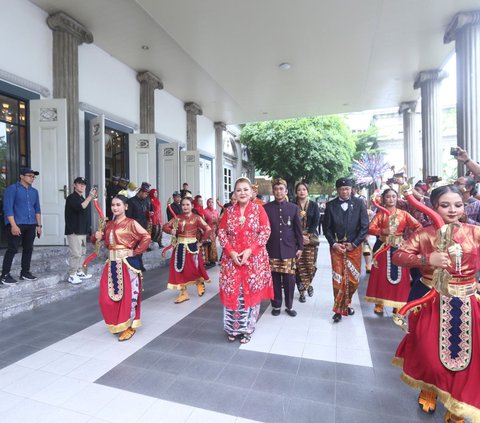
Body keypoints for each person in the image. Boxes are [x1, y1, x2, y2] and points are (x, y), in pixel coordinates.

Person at [392, 185, 480, 423]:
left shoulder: (475, 232)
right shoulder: (424, 233)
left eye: (458, 204)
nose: (453, 209)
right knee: (428, 352)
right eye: (445, 205)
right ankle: (429, 389)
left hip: (466, 303)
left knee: (467, 357)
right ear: (434, 208)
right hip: (430, 300)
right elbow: (398, 256)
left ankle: (456, 405)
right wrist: (425, 258)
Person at [218, 177, 273, 343]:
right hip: (232, 260)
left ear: (251, 193)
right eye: (239, 190)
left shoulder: (259, 211)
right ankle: (233, 329)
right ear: (234, 193)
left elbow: (265, 231)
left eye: (245, 189)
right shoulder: (229, 212)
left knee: (251, 293)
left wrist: (250, 250)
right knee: (235, 293)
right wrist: (231, 251)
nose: (242, 192)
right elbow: (221, 233)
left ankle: (248, 329)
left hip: (254, 260)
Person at [95, 195, 150, 341]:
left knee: (128, 296)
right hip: (111, 263)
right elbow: (101, 242)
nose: (115, 207)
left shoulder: (131, 223)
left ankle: (129, 326)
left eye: (118, 204)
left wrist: (136, 252)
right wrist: (96, 237)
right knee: (105, 297)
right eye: (113, 205)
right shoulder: (109, 225)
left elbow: (146, 237)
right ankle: (117, 322)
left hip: (126, 263)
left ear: (125, 207)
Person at [364, 188, 421, 314]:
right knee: (381, 276)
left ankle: (399, 304)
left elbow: (418, 226)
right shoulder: (380, 214)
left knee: (402, 278)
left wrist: (409, 241)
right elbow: (370, 228)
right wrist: (382, 231)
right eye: (388, 196)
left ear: (397, 198)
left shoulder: (403, 214)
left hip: (400, 247)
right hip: (382, 247)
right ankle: (379, 303)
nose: (391, 199)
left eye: (394, 196)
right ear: (384, 199)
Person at [322, 177, 369, 323]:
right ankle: (338, 309)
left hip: (353, 247)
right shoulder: (330, 205)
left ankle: (346, 303)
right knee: (338, 278)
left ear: (351, 189)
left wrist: (354, 244)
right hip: (337, 248)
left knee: (353, 280)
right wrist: (334, 244)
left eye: (347, 189)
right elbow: (326, 228)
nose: (345, 192)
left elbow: (364, 226)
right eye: (342, 189)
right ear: (337, 190)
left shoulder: (359, 203)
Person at [264, 178, 303, 317]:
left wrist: (300, 247)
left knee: (289, 280)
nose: (279, 192)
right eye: (276, 189)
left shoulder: (293, 208)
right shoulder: (266, 208)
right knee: (274, 279)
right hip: (272, 248)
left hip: (289, 248)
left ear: (286, 191)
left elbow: (298, 229)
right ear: (273, 191)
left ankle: (289, 305)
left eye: (281, 189)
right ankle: (276, 305)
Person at [162, 196, 211, 304]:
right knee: (180, 270)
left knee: (194, 268)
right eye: (183, 205)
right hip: (179, 247)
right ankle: (183, 292)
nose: (185, 207)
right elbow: (165, 226)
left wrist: (201, 242)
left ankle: (199, 282)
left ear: (192, 206)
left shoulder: (197, 218)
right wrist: (171, 231)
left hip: (192, 247)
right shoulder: (177, 218)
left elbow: (208, 229)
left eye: (187, 204)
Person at [1, 167, 42, 285]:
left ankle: (25, 273)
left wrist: (39, 226)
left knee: (28, 249)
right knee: (12, 249)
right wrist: (13, 225)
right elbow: (7, 209)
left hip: (31, 224)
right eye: (29, 176)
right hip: (17, 224)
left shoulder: (34, 192)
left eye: (33, 176)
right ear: (22, 176)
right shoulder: (12, 189)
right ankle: (4, 275)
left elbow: (37, 209)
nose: (32, 178)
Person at [64, 177, 97, 284]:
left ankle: (79, 271)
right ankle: (72, 275)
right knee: (76, 254)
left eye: (84, 184)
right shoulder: (71, 198)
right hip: (74, 231)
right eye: (79, 184)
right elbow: (80, 207)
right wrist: (90, 197)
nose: (82, 186)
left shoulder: (82, 198)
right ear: (74, 185)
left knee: (82, 253)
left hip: (82, 231)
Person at [294, 181, 320, 303]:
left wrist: (307, 235)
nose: (302, 191)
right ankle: (302, 291)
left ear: (307, 191)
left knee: (310, 266)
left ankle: (308, 285)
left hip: (310, 239)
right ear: (296, 192)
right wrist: (300, 237)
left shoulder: (314, 205)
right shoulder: (292, 205)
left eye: (304, 189)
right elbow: (292, 223)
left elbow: (316, 222)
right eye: (299, 189)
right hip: (296, 239)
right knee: (298, 266)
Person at [126, 182, 151, 271]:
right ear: (140, 191)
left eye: (147, 193)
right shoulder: (131, 201)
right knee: (134, 248)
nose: (146, 195)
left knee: (141, 247)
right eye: (145, 193)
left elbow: (144, 213)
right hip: (133, 229)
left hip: (143, 228)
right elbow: (128, 216)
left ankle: (140, 263)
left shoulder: (145, 201)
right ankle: (135, 264)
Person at [203, 198, 220, 267]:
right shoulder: (204, 211)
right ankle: (208, 260)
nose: (211, 203)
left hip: (214, 230)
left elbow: (219, 221)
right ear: (207, 203)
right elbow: (203, 222)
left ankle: (213, 259)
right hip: (208, 230)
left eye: (212, 202)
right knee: (208, 244)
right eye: (209, 202)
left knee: (213, 244)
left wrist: (218, 229)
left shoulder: (216, 211)